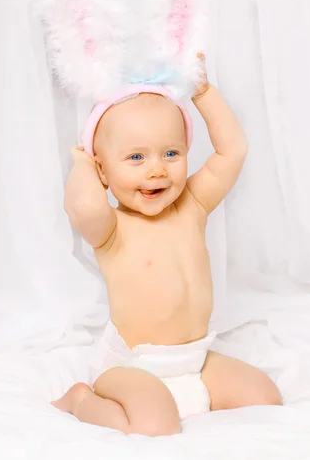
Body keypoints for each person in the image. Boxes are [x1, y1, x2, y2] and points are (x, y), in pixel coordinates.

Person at [52, 56, 282, 436]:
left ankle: (185, 397)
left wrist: (203, 92)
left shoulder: (192, 205)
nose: (156, 169)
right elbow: (86, 206)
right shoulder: (112, 229)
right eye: (136, 157)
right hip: (134, 367)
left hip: (193, 360)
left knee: (264, 397)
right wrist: (82, 163)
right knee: (155, 427)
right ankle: (81, 401)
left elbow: (232, 152)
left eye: (170, 153)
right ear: (103, 171)